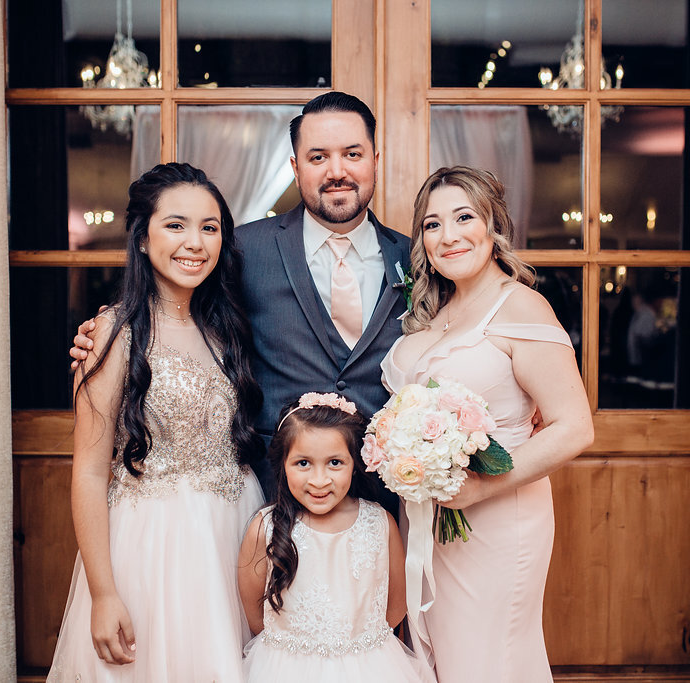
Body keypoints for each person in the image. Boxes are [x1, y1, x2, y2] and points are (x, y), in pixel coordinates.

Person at [71, 92, 410, 509]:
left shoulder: (415, 259)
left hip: (390, 495)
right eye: (318, 157)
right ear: (295, 167)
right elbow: (179, 311)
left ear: (376, 159)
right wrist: (111, 329)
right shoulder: (242, 250)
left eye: (352, 154)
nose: (336, 171)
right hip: (272, 500)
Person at [47, 163, 264, 682]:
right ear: (142, 238)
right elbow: (89, 473)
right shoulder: (112, 332)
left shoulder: (225, 330)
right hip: (155, 544)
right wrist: (103, 593)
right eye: (176, 225)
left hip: (232, 532)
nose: (195, 242)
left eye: (209, 228)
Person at [380, 166, 594, 682]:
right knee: (445, 657)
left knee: (488, 658)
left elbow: (574, 427)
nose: (448, 236)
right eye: (432, 225)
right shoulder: (431, 314)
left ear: (492, 224)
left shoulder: (522, 306)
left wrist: (480, 487)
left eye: (463, 217)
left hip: (497, 519)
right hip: (428, 518)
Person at [237, 393, 435, 683]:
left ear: (354, 463)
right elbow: (255, 614)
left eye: (335, 463)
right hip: (285, 670)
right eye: (303, 463)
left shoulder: (379, 522)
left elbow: (394, 607)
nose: (319, 480)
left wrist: (357, 649)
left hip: (370, 668)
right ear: (283, 464)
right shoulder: (265, 528)